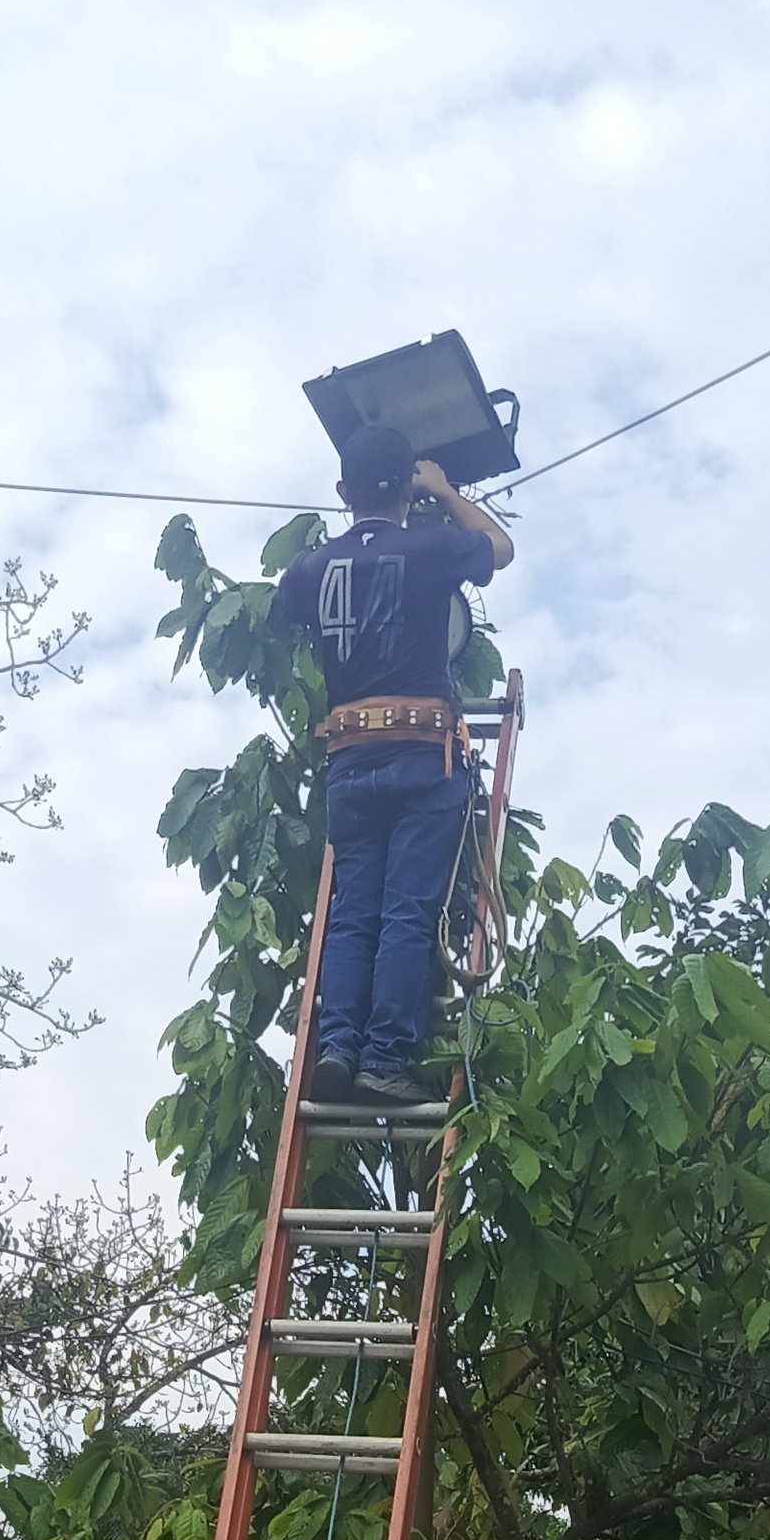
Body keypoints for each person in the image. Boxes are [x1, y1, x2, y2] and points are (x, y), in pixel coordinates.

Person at [269, 421, 514, 1111]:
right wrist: (446, 492)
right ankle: (382, 1059)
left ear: (342, 490)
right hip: (420, 752)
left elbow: (288, 603)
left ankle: (337, 1049)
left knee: (353, 915)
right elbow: (500, 546)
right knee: (407, 912)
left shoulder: (310, 568)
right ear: (409, 486)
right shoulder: (430, 546)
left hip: (349, 759)